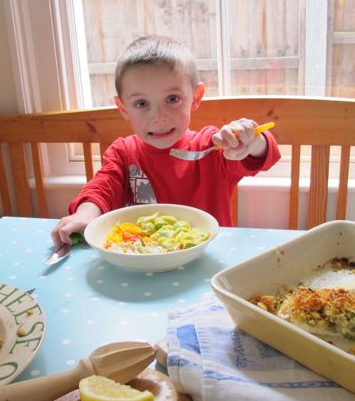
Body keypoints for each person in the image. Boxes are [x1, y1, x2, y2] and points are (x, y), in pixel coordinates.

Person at [51, 35, 280, 246]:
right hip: (141, 262)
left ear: (195, 97)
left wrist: (251, 142)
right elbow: (102, 188)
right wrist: (85, 214)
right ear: (123, 108)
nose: (158, 117)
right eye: (141, 104)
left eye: (172, 99)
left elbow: (264, 157)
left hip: (208, 263)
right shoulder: (123, 153)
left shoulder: (213, 147)